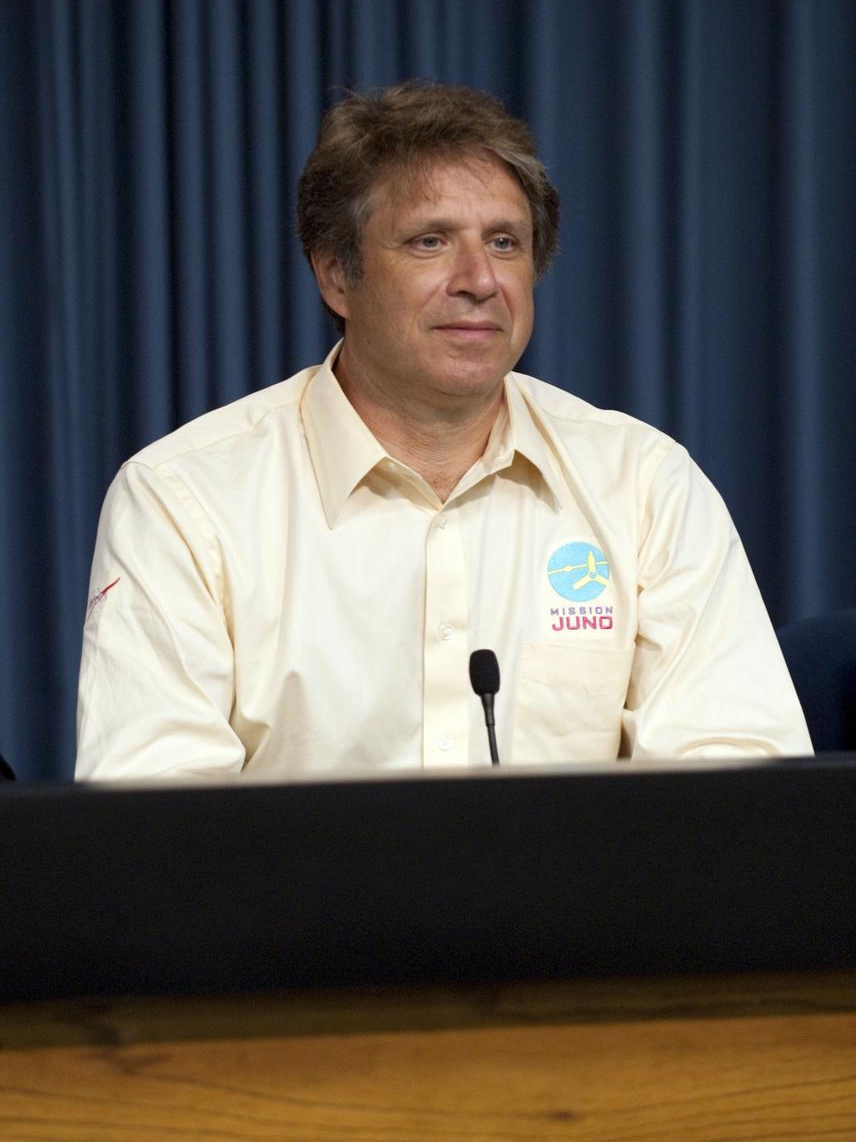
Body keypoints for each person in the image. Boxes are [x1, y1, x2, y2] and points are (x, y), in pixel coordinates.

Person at [75, 81, 811, 781]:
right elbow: (157, 825)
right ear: (336, 275)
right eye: (430, 242)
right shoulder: (184, 501)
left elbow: (735, 790)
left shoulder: (645, 485)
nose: (479, 280)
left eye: (504, 243)